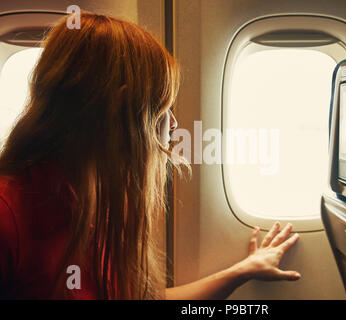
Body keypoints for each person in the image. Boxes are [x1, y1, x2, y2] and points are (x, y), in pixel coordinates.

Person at [0, 12, 300, 300]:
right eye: (160, 108)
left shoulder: (92, 199)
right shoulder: (8, 216)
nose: (173, 125)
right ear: (115, 112)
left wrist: (241, 271)